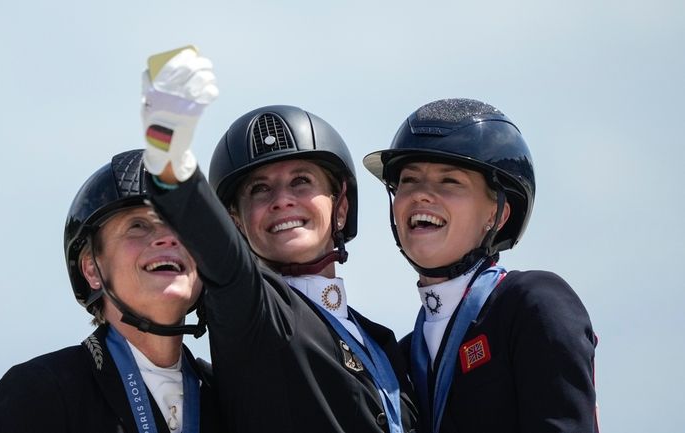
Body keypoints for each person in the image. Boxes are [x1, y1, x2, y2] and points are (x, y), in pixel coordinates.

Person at [140, 47, 417, 432]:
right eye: (259, 190)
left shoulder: (381, 343)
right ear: (235, 222)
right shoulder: (253, 311)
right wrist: (169, 161)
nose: (282, 200)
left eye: (301, 181)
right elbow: (226, 260)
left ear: (340, 206)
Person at [362, 98, 599, 432]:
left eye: (450, 181)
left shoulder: (533, 303)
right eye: (409, 180)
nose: (421, 195)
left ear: (497, 214)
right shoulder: (399, 357)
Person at [0, 149, 221, 433]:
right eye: (138, 225)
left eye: (181, 225)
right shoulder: (40, 393)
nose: (168, 238)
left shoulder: (229, 396)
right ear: (92, 269)